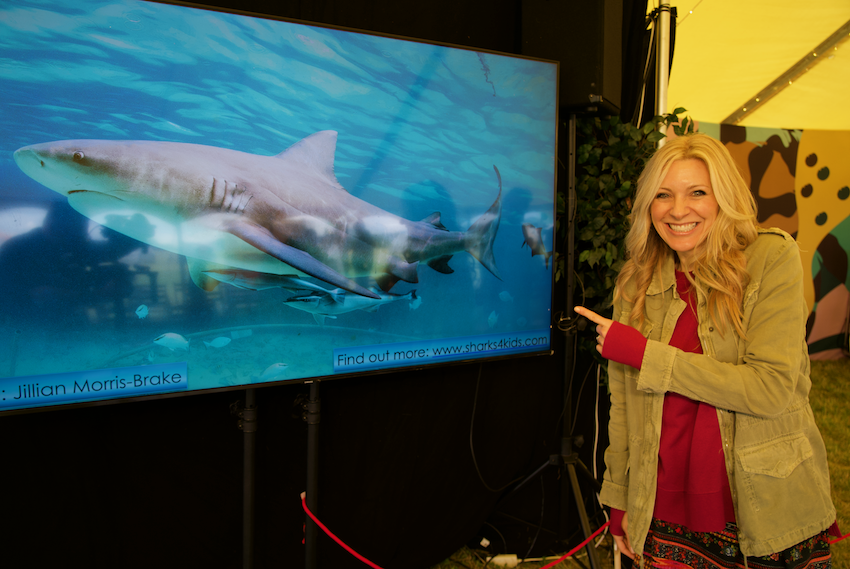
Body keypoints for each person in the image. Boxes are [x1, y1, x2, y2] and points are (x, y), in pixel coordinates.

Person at [574, 133, 838, 568]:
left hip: (762, 504)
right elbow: (623, 408)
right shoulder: (636, 282)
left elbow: (770, 389)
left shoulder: (770, 258)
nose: (678, 210)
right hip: (661, 504)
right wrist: (619, 498)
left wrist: (647, 355)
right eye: (663, 195)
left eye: (697, 192)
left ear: (724, 197)